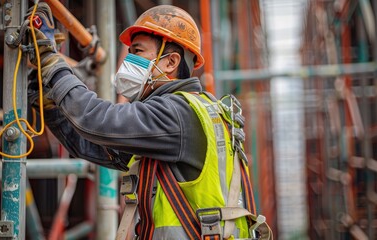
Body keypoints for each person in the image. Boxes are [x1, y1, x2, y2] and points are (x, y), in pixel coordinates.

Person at [26, 3, 271, 240]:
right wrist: (51, 105)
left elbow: (98, 121)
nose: (127, 63)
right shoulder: (191, 113)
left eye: (138, 52)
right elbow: (97, 146)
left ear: (171, 62)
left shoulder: (177, 113)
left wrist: (52, 63)